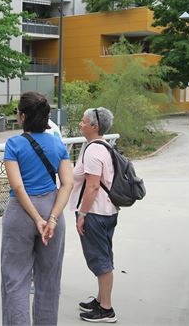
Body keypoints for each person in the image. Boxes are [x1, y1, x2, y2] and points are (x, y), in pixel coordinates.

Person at [0, 91, 74, 325]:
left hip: (21, 214)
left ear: (22, 116)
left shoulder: (14, 144)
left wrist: (36, 218)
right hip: (52, 207)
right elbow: (68, 183)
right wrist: (50, 219)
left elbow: (18, 186)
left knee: (16, 278)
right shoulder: (57, 144)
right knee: (49, 279)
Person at [69, 107, 118, 323]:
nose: (80, 124)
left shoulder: (93, 151)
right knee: (103, 256)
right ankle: (101, 300)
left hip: (96, 213)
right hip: (107, 211)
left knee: (100, 260)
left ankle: (106, 309)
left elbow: (92, 187)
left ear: (94, 126)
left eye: (83, 121)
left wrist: (83, 214)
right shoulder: (104, 146)